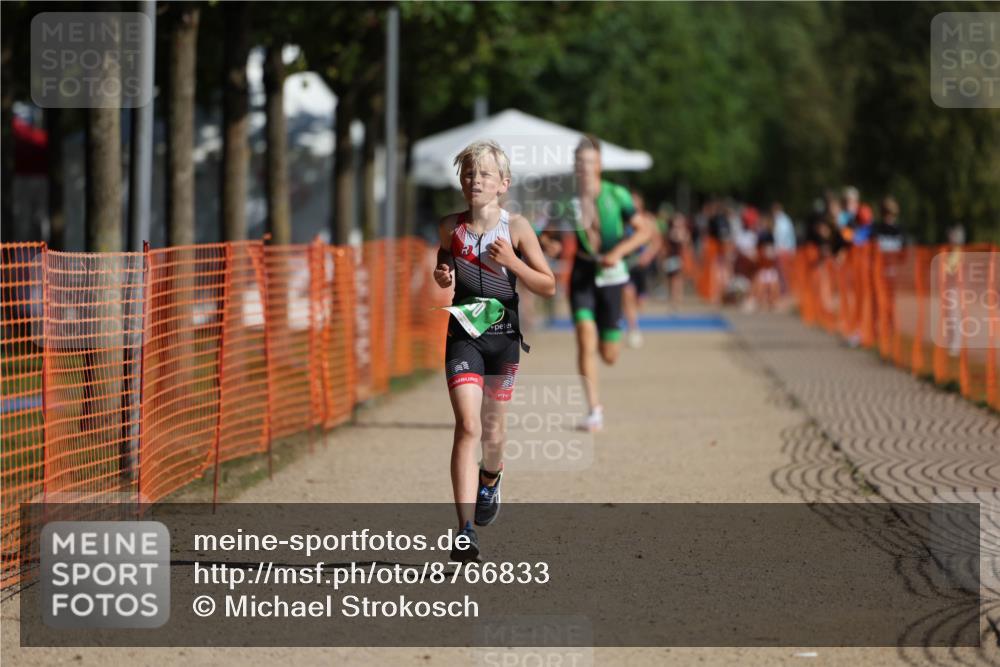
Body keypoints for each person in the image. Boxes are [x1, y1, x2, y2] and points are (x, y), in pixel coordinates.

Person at [433, 140, 556, 561]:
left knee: (493, 433)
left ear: (503, 184)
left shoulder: (517, 228)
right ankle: (464, 530)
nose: (475, 180)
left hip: (503, 338)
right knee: (467, 425)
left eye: (485, 174)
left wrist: (515, 263)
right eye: (469, 173)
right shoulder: (450, 226)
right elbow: (446, 252)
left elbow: (548, 283)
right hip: (463, 334)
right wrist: (443, 267)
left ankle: (492, 476)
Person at [561, 135, 653, 431]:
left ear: (599, 164)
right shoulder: (567, 200)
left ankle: (615, 330)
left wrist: (618, 252)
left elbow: (644, 231)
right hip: (583, 275)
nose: (584, 168)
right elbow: (549, 237)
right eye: (580, 163)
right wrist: (548, 245)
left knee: (609, 355)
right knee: (584, 336)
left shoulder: (617, 195)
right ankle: (594, 409)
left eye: (589, 162)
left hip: (612, 277)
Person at [622, 188, 661, 348]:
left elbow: (657, 242)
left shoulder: (648, 220)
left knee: (640, 301)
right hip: (627, 264)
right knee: (627, 294)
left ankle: (633, 319)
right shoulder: (623, 220)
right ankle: (633, 329)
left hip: (643, 265)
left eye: (635, 201)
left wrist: (649, 255)